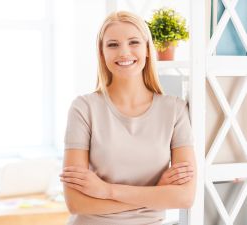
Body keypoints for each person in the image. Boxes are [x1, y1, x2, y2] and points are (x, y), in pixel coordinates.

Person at [60, 11, 196, 225]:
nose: (124, 52)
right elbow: (76, 203)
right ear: (102, 53)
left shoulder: (175, 110)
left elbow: (184, 197)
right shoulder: (84, 108)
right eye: (113, 45)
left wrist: (106, 190)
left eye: (133, 42)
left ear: (147, 49)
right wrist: (155, 195)